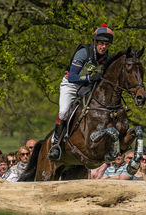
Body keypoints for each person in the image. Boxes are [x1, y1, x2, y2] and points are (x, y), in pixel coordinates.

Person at [48, 24, 114, 161]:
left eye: (106, 44)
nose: (103, 47)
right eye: (101, 44)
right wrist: (90, 77)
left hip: (88, 87)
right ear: (95, 42)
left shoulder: (107, 59)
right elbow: (72, 77)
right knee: (64, 111)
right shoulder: (84, 53)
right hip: (71, 85)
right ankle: (56, 143)